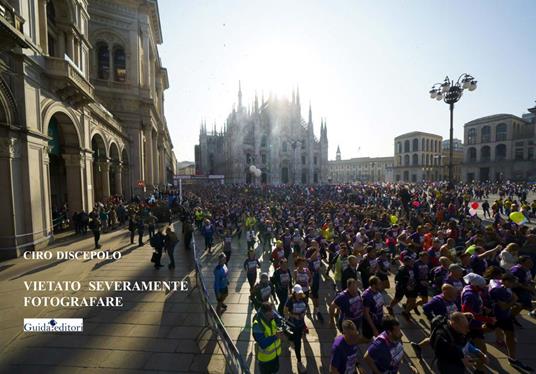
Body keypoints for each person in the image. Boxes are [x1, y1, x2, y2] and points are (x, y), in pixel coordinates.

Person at [252, 302, 283, 374]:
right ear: (265, 314)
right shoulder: (257, 325)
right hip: (265, 359)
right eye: (271, 312)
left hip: (275, 355)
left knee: (275, 370)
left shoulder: (271, 318)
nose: (273, 313)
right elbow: (263, 343)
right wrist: (276, 336)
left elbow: (278, 320)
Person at [284, 285, 308, 370]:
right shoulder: (290, 300)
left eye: (300, 293)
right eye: (298, 293)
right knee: (295, 341)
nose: (299, 295)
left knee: (297, 341)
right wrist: (294, 315)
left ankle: (299, 360)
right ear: (294, 293)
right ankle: (299, 361)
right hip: (292, 325)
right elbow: (285, 311)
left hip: (300, 325)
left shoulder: (304, 298)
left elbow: (306, 308)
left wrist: (303, 313)